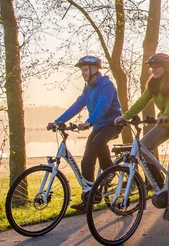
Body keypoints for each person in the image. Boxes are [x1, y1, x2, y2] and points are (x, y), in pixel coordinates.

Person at [115, 53, 169, 221]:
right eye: (152, 67)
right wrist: (125, 116)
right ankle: (159, 183)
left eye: (157, 66)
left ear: (166, 67)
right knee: (143, 147)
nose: (153, 69)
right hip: (165, 123)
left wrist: (166, 114)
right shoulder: (152, 84)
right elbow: (141, 101)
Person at [48, 55, 122, 211]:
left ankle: (110, 172)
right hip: (98, 126)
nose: (83, 73)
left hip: (112, 124)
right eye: (81, 70)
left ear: (95, 69)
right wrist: (58, 121)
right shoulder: (87, 88)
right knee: (86, 162)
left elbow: (103, 106)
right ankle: (90, 199)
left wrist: (89, 122)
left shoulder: (106, 85)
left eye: (84, 70)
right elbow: (77, 105)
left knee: (99, 141)